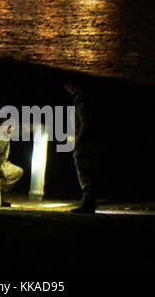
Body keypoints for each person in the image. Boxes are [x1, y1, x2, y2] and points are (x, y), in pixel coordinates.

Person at [64, 83, 107, 214]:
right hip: (89, 140)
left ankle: (88, 202)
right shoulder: (84, 96)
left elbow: (85, 121)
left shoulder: (81, 98)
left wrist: (78, 139)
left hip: (85, 142)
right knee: (88, 169)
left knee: (84, 169)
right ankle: (89, 201)